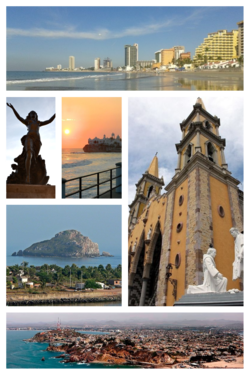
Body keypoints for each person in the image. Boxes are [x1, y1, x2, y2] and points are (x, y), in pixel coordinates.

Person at [6, 103, 57, 183]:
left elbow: (48, 121)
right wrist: (12, 108)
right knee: (29, 154)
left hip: (37, 141)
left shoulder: (39, 123)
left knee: (34, 158)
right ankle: (27, 177)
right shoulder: (28, 122)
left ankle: (33, 175)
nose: (33, 114)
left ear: (36, 116)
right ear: (29, 115)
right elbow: (19, 117)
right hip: (29, 138)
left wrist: (54, 116)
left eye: (34, 113)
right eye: (31, 113)